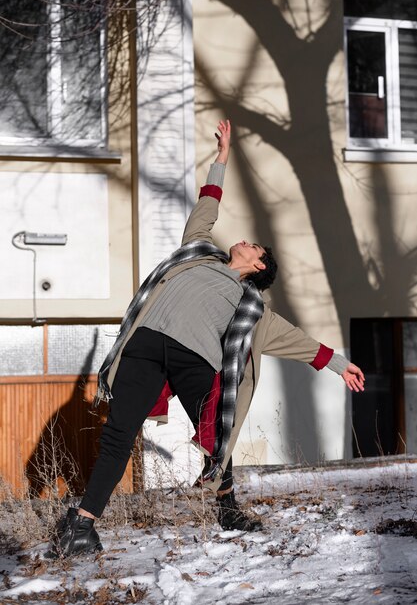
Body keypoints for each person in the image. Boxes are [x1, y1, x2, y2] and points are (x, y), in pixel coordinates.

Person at [48, 120, 365, 558]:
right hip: (143, 347)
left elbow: (295, 339)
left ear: (258, 267)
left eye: (255, 247)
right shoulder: (197, 250)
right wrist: (222, 157)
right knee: (119, 434)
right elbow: (207, 206)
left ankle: (227, 508)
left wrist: (337, 363)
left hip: (192, 359)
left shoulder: (249, 305)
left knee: (219, 430)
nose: (246, 242)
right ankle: (82, 525)